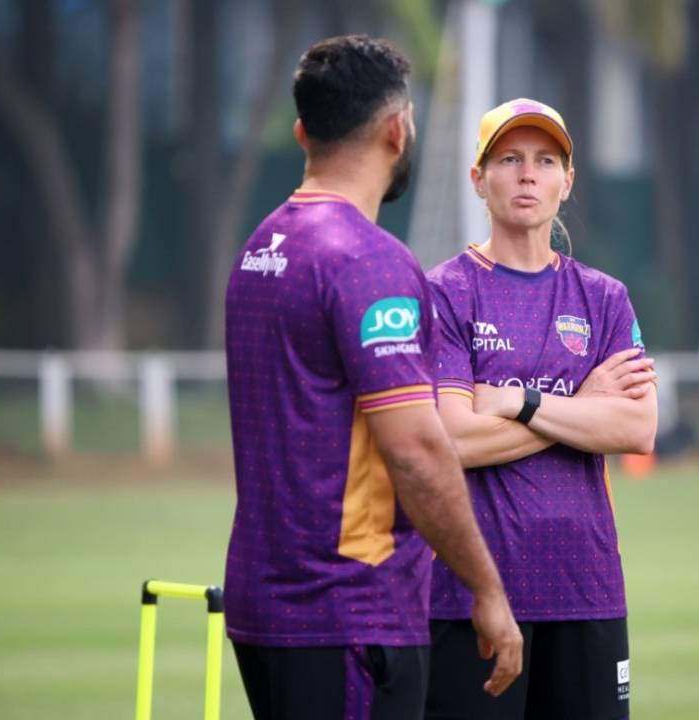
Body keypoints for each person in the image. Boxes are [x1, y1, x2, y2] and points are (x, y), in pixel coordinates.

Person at [223, 36, 522, 720]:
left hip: (264, 607)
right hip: (348, 611)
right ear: (397, 130)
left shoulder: (260, 247)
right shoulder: (369, 261)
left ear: (302, 133)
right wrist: (487, 590)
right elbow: (415, 450)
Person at [424, 98, 658, 719]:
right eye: (509, 159)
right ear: (478, 179)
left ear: (567, 181)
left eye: (545, 160)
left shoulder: (605, 298)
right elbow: (452, 438)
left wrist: (519, 402)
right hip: (472, 599)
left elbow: (637, 426)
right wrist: (579, 408)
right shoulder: (446, 292)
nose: (528, 174)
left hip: (588, 591)